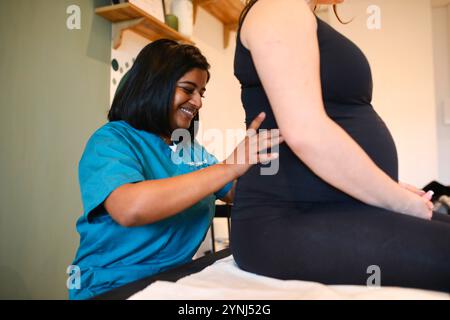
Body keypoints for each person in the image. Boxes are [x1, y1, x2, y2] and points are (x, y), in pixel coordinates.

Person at [231, 0, 450, 292]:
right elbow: (306, 132)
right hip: (285, 219)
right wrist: (399, 201)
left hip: (333, 208)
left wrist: (390, 188)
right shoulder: (279, 6)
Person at [69, 39, 282, 300]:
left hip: (172, 283)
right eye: (188, 89)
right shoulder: (112, 140)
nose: (198, 102)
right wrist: (228, 167)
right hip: (110, 289)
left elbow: (239, 193)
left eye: (201, 93)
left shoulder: (191, 150)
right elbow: (130, 208)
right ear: (154, 85)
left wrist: (269, 156)